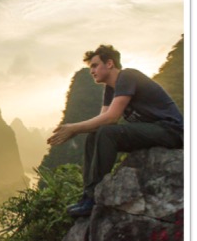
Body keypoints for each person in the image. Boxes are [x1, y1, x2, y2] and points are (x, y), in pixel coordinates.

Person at [47, 44, 183, 217]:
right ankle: (89, 195)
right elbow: (101, 122)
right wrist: (76, 130)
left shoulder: (127, 76)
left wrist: (74, 128)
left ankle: (95, 196)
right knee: (95, 134)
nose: (92, 71)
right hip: (151, 132)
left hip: (171, 131)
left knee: (106, 133)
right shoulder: (110, 90)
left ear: (109, 64)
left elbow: (112, 117)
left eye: (95, 65)